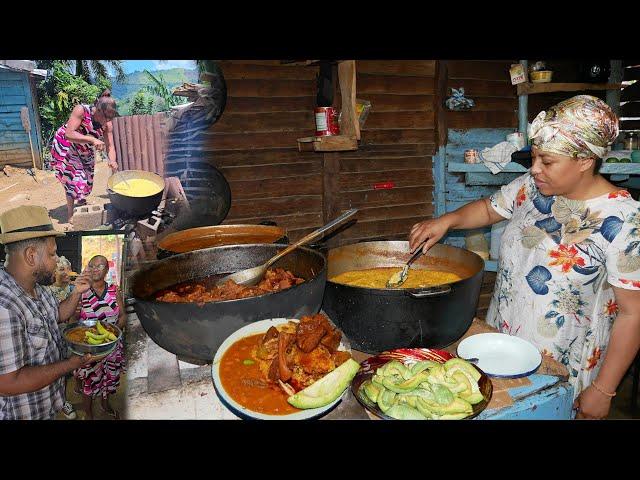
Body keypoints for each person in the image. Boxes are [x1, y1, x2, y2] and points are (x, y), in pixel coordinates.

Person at [409, 95, 640, 420]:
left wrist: (603, 389)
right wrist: (447, 221)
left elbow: (633, 315)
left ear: (586, 159)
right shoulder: (532, 188)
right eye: (534, 158)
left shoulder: (624, 221)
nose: (535, 169)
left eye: (547, 161)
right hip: (502, 343)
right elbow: (490, 208)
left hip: (561, 368)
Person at [0, 205, 96, 420]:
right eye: (52, 254)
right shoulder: (4, 306)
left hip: (47, 406)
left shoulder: (38, 287)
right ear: (31, 256)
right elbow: (7, 383)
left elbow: (57, 315)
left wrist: (77, 292)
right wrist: (70, 364)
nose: (56, 260)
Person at [50, 89, 119, 223]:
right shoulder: (81, 110)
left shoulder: (107, 124)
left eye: (111, 118)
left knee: (87, 178)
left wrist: (113, 161)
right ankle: (70, 214)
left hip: (85, 147)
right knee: (72, 179)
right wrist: (92, 140)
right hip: (67, 144)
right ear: (98, 111)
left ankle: (80, 197)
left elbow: (110, 146)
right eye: (106, 117)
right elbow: (69, 134)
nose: (108, 121)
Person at [73, 255, 126, 419]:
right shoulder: (82, 291)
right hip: (90, 348)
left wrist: (115, 331)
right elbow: (73, 320)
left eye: (100, 266)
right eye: (91, 266)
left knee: (110, 378)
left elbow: (123, 315)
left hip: (112, 345)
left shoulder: (113, 290)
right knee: (89, 380)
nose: (95, 269)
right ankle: (88, 412)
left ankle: (105, 404)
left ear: (106, 270)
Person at [45, 255, 78, 419]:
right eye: (61, 269)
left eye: (67, 268)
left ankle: (63, 400)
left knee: (68, 372)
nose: (66, 273)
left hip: (72, 338)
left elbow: (77, 316)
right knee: (54, 372)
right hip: (52, 339)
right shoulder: (46, 292)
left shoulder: (75, 290)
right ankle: (54, 402)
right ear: (53, 273)